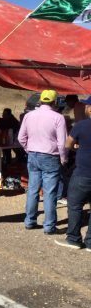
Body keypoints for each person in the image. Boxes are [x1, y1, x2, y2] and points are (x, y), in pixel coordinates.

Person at [19, 89, 68, 233]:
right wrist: (63, 158)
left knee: (33, 190)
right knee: (50, 192)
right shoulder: (58, 117)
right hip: (50, 156)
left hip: (33, 155)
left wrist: (29, 149)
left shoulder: (29, 116)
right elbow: (61, 142)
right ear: (54, 102)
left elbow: (21, 138)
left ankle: (29, 221)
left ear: (41, 101)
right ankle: (49, 226)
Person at [59, 96, 91, 249]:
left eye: (86, 106)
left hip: (83, 172)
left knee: (75, 205)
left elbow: (68, 143)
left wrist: (77, 146)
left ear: (90, 109)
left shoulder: (81, 125)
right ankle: (90, 242)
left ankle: (74, 238)